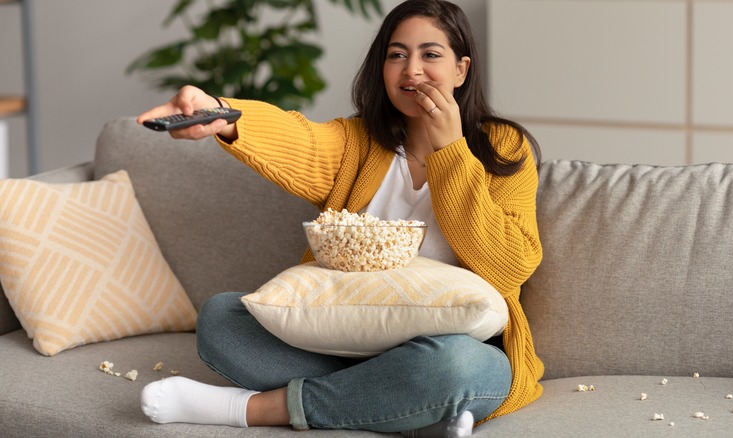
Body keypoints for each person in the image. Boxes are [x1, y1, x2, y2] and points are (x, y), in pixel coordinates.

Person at [137, 0, 544, 436]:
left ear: (461, 70)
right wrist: (221, 113)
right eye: (396, 54)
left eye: (430, 54)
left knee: (458, 367)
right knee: (222, 319)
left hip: (449, 349)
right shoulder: (357, 142)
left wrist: (450, 152)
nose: (411, 70)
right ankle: (404, 410)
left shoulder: (503, 146)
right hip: (342, 345)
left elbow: (511, 264)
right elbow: (298, 139)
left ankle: (256, 409)